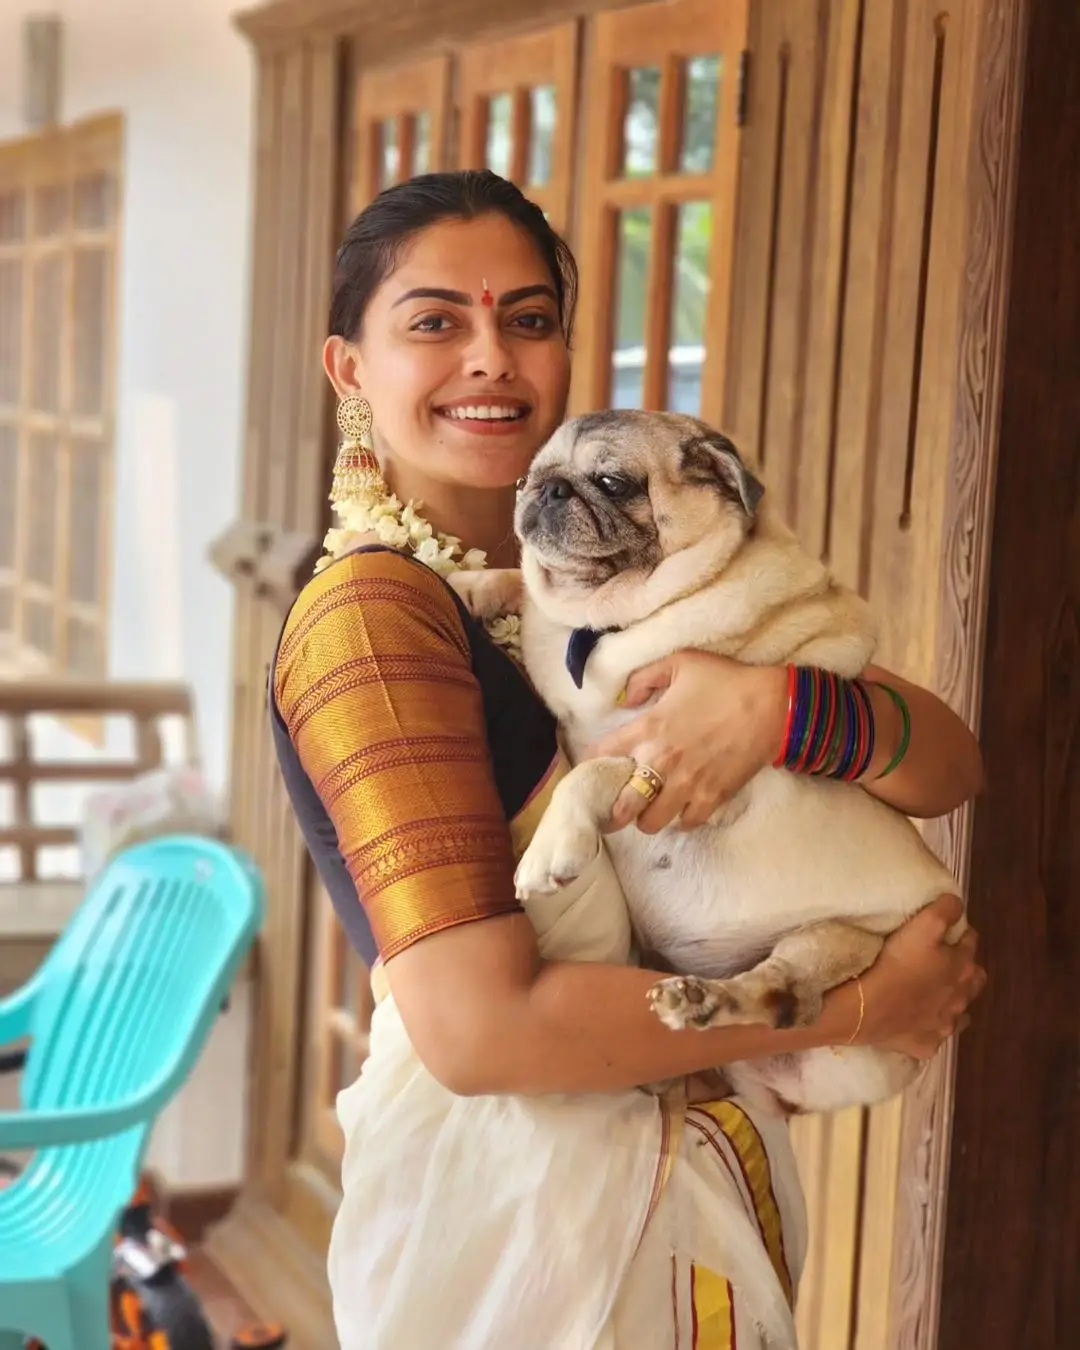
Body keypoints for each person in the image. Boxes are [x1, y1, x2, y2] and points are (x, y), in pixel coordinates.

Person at [270, 170, 985, 1350]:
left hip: (662, 1172)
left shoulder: (609, 577)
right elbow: (482, 1035)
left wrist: (779, 708)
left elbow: (949, 763)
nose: (492, 357)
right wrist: (854, 1004)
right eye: (436, 321)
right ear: (350, 368)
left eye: (530, 318)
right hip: (536, 1216)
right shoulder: (374, 622)